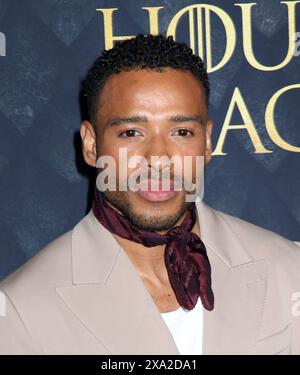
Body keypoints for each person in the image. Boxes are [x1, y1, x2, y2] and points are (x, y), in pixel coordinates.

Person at [0, 34, 299, 355]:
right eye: (131, 132)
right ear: (90, 144)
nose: (158, 158)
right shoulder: (22, 310)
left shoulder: (288, 270)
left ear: (208, 141)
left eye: (181, 132)